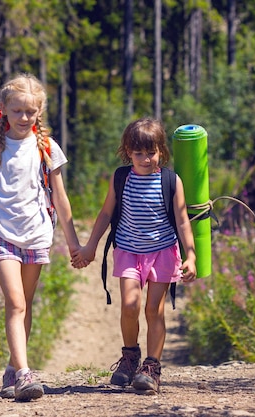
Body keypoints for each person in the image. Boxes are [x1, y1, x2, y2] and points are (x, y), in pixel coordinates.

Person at [0, 73, 86, 401]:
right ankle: (23, 375)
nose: (24, 117)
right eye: (17, 110)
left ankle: (11, 367)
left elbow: (61, 198)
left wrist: (74, 242)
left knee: (26, 304)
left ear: (39, 112)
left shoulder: (47, 147)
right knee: (16, 302)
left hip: (36, 234)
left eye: (30, 112)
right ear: (3, 108)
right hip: (0, 231)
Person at [74, 117, 197, 395]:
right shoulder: (121, 178)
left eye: (151, 152)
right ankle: (130, 357)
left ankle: (152, 368)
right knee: (130, 305)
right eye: (138, 153)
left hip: (163, 252)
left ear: (161, 151)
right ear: (127, 152)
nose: (145, 159)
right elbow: (106, 213)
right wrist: (90, 246)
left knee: (154, 310)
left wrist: (191, 255)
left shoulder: (170, 181)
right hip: (129, 252)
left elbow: (182, 221)